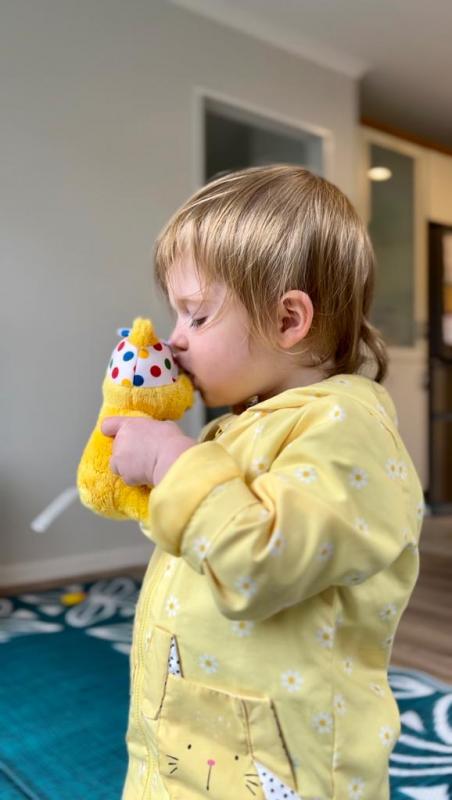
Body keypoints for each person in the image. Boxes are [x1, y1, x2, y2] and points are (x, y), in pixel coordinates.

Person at [102, 165, 424, 800]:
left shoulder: (343, 427)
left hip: (286, 761)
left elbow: (261, 557)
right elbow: (203, 544)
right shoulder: (245, 427)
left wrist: (173, 463)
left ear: (287, 320)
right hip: (195, 734)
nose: (174, 339)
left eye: (195, 315)